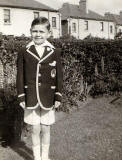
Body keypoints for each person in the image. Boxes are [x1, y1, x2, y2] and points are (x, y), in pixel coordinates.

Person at [16, 17, 63, 160]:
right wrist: (21, 96)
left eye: (41, 31)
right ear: (30, 32)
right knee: (35, 129)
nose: (38, 34)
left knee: (45, 128)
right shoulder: (24, 51)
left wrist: (58, 95)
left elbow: (59, 76)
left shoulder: (54, 51)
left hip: (48, 97)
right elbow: (20, 76)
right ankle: (37, 157)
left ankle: (45, 156)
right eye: (34, 31)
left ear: (49, 33)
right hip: (30, 95)